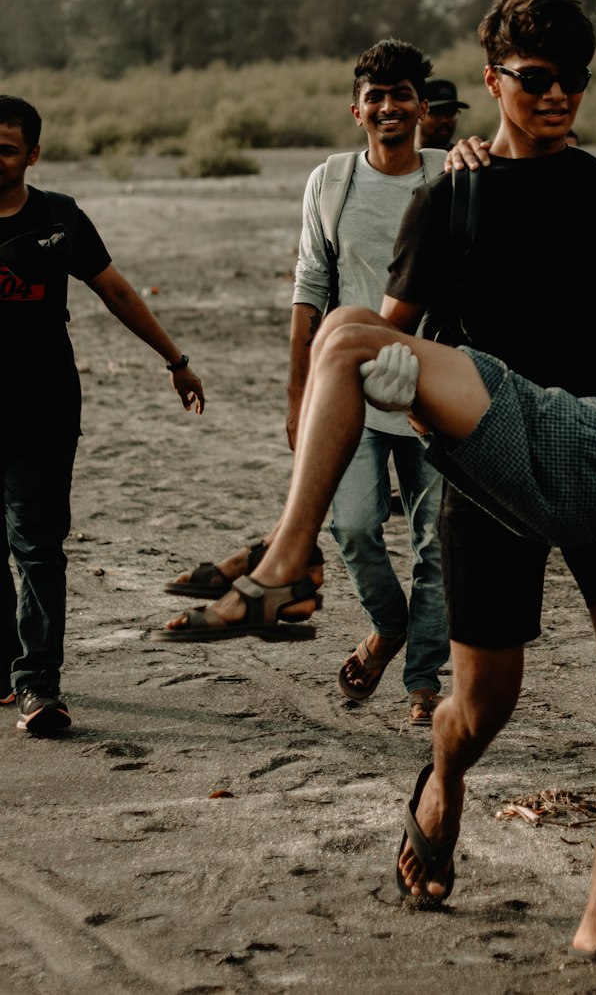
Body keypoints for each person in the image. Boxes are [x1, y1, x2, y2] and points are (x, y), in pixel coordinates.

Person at [162, 163, 596, 978]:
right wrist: (482, 176)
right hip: (568, 448)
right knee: (481, 705)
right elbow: (530, 362)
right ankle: (442, 780)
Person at [162, 0, 596, 983]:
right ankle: (440, 781)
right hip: (489, 470)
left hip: (595, 449)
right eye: (537, 79)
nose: (558, 97)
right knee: (483, 704)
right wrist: (411, 398)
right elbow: (388, 336)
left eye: (575, 80)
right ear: (494, 80)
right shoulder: (452, 195)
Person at [162, 43, 450, 727]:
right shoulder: (331, 181)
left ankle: (422, 681)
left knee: (439, 544)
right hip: (348, 393)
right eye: (375, 96)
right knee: (353, 529)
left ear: (422, 106)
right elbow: (309, 292)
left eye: (401, 94)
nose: (389, 107)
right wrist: (300, 398)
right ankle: (389, 626)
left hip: (435, 387)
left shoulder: (452, 175)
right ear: (358, 111)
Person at [0, 95, 204, 735]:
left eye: (5, 147)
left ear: (32, 154)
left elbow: (114, 289)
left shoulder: (60, 217)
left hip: (42, 410)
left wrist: (175, 359)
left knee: (37, 549)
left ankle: (38, 686)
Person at [419, 78, 469, 151]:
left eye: (450, 113)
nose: (444, 120)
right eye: (436, 113)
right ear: (419, 114)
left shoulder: (463, 158)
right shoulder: (401, 158)